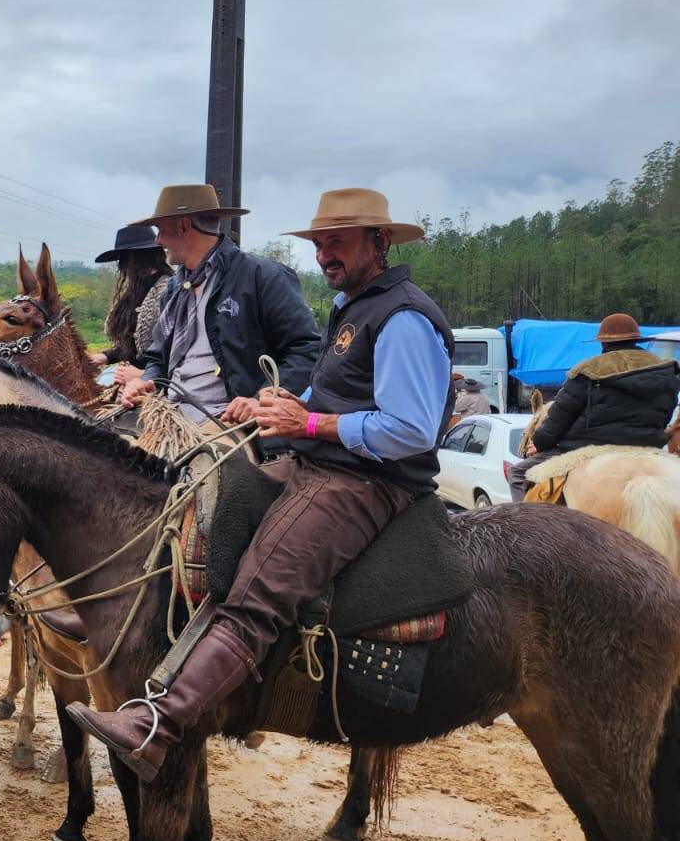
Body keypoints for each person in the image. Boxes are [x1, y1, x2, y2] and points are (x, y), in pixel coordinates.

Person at [68, 189, 454, 784]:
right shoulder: (356, 305)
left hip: (363, 481)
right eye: (321, 243)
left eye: (338, 241)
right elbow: (342, 394)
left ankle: (160, 723)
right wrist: (291, 403)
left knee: (259, 588)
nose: (326, 254)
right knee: (206, 516)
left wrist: (310, 422)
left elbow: (411, 429)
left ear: (378, 242)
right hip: (317, 457)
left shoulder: (401, 316)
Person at [120, 185, 321, 426]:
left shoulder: (262, 276)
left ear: (184, 226)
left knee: (192, 464)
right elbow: (157, 358)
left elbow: (307, 349)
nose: (158, 240)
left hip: (226, 421)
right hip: (169, 412)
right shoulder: (174, 289)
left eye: (161, 230)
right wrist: (147, 381)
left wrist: (262, 399)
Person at [507, 312, 680, 502]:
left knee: (518, 474)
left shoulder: (588, 370)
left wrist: (539, 442)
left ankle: (532, 531)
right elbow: (665, 413)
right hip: (647, 446)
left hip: (588, 448)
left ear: (603, 343)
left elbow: (559, 418)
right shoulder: (665, 371)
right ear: (636, 340)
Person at [93, 222, 172, 379]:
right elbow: (131, 347)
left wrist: (143, 375)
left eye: (124, 259)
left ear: (136, 258)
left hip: (154, 383)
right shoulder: (134, 291)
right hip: (125, 375)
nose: (122, 267)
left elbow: (172, 350)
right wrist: (106, 356)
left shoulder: (169, 289)